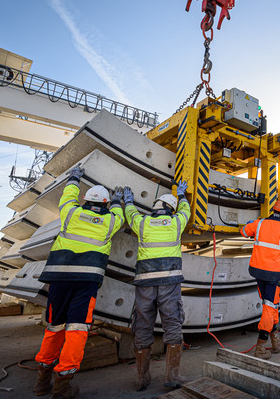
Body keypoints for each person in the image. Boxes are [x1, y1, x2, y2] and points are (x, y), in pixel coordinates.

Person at [33, 166, 124, 398]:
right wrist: (117, 201)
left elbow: (67, 196)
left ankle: (42, 380)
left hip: (59, 278)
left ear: (85, 200)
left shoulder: (71, 213)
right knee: (77, 327)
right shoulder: (110, 222)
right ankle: (62, 384)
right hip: (86, 281)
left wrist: (74, 178)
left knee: (54, 326)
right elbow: (119, 215)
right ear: (105, 204)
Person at [122, 181, 191, 391]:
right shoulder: (177, 222)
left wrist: (127, 201)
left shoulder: (142, 223)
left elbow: (131, 213)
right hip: (169, 282)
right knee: (172, 322)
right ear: (171, 209)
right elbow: (186, 210)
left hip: (145, 282)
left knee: (143, 323)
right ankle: (172, 376)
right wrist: (182, 195)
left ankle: (142, 378)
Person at [240, 198, 280, 359]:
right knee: (269, 307)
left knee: (270, 305)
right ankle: (261, 345)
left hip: (258, 271)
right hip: (274, 274)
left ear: (273, 210)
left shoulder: (260, 223)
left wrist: (251, 223)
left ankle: (276, 340)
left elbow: (244, 231)